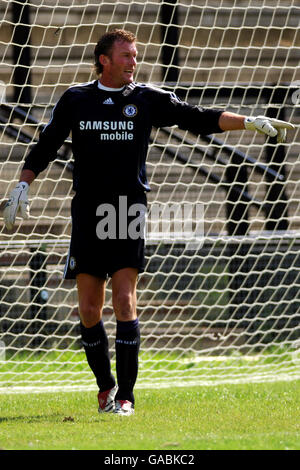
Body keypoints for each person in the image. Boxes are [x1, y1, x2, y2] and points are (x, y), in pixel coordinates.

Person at [3, 29, 294, 416]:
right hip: (88, 210)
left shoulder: (146, 98)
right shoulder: (76, 99)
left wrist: (249, 121)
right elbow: (47, 143)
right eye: (126, 56)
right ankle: (105, 387)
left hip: (128, 209)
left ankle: (126, 397)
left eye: (136, 56)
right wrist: (23, 184)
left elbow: (198, 118)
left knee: (124, 301)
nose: (134, 62)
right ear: (104, 60)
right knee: (89, 310)